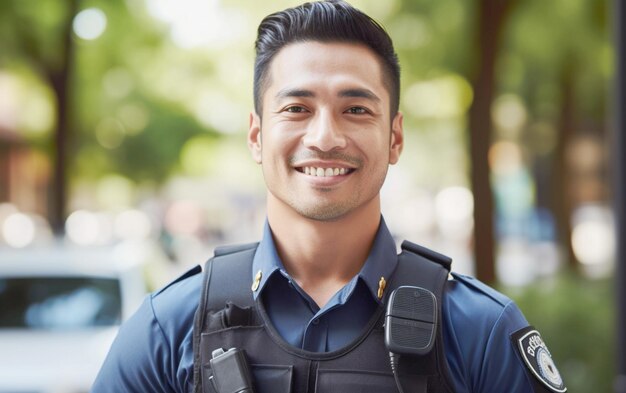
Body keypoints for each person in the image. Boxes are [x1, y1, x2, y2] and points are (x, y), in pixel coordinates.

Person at [91, 1, 567, 392]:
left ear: (395, 138)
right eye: (297, 108)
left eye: (356, 109)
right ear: (256, 136)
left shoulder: (480, 331)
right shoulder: (168, 328)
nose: (324, 137)